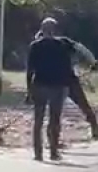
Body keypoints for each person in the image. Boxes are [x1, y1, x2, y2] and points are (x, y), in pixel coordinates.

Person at [33, 30, 98, 139]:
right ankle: (53, 138)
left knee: (79, 105)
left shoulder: (62, 42)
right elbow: (82, 49)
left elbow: (80, 49)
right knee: (67, 108)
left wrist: (92, 62)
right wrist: (93, 62)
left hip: (64, 80)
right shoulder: (45, 46)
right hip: (58, 81)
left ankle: (94, 128)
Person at [27, 18, 73, 161]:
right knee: (54, 119)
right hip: (57, 86)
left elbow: (30, 70)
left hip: (39, 84)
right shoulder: (61, 46)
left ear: (42, 29)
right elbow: (67, 68)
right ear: (54, 30)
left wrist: (29, 90)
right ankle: (53, 151)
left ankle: (38, 153)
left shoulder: (35, 46)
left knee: (38, 120)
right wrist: (67, 85)